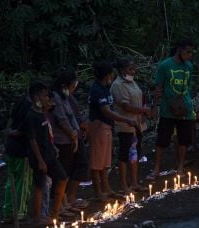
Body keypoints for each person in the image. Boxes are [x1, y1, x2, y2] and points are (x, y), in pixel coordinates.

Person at [87, 61, 138, 202]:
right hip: (99, 127)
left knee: (104, 161)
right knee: (97, 162)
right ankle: (98, 191)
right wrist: (125, 120)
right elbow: (107, 111)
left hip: (107, 127)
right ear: (107, 74)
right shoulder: (97, 90)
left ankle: (107, 188)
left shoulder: (105, 87)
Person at [147, 38, 196, 180]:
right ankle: (156, 168)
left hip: (185, 107)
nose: (190, 55)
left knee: (183, 139)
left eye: (191, 52)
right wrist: (154, 107)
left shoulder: (189, 66)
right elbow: (158, 88)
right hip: (168, 108)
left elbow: (189, 86)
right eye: (188, 52)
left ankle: (180, 166)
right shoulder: (165, 66)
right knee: (162, 139)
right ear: (179, 49)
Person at [21, 81, 68, 224]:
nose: (47, 98)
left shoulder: (42, 114)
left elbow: (46, 133)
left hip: (50, 154)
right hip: (39, 156)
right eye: (45, 96)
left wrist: (52, 147)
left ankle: (55, 212)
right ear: (36, 98)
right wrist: (40, 160)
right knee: (39, 185)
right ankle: (37, 216)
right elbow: (32, 139)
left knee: (62, 178)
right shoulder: (30, 116)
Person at [50, 68, 90, 216]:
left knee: (69, 170)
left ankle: (65, 201)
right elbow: (61, 118)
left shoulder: (66, 97)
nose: (75, 87)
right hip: (62, 139)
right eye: (73, 84)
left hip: (71, 137)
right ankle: (59, 204)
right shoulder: (55, 97)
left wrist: (76, 132)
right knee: (62, 172)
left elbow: (71, 116)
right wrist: (72, 133)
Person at [110, 56, 153, 193]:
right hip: (125, 125)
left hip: (137, 125)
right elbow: (126, 106)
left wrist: (143, 113)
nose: (134, 71)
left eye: (134, 68)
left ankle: (134, 182)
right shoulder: (118, 85)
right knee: (124, 154)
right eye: (130, 69)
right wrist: (144, 110)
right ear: (122, 70)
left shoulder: (132, 82)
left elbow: (138, 99)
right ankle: (123, 184)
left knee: (135, 153)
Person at [2, 95, 33, 223]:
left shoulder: (20, 101)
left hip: (11, 148)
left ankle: (8, 211)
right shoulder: (30, 109)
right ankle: (19, 212)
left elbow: (10, 121)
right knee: (23, 182)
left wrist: (6, 139)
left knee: (11, 181)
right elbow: (24, 130)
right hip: (22, 151)